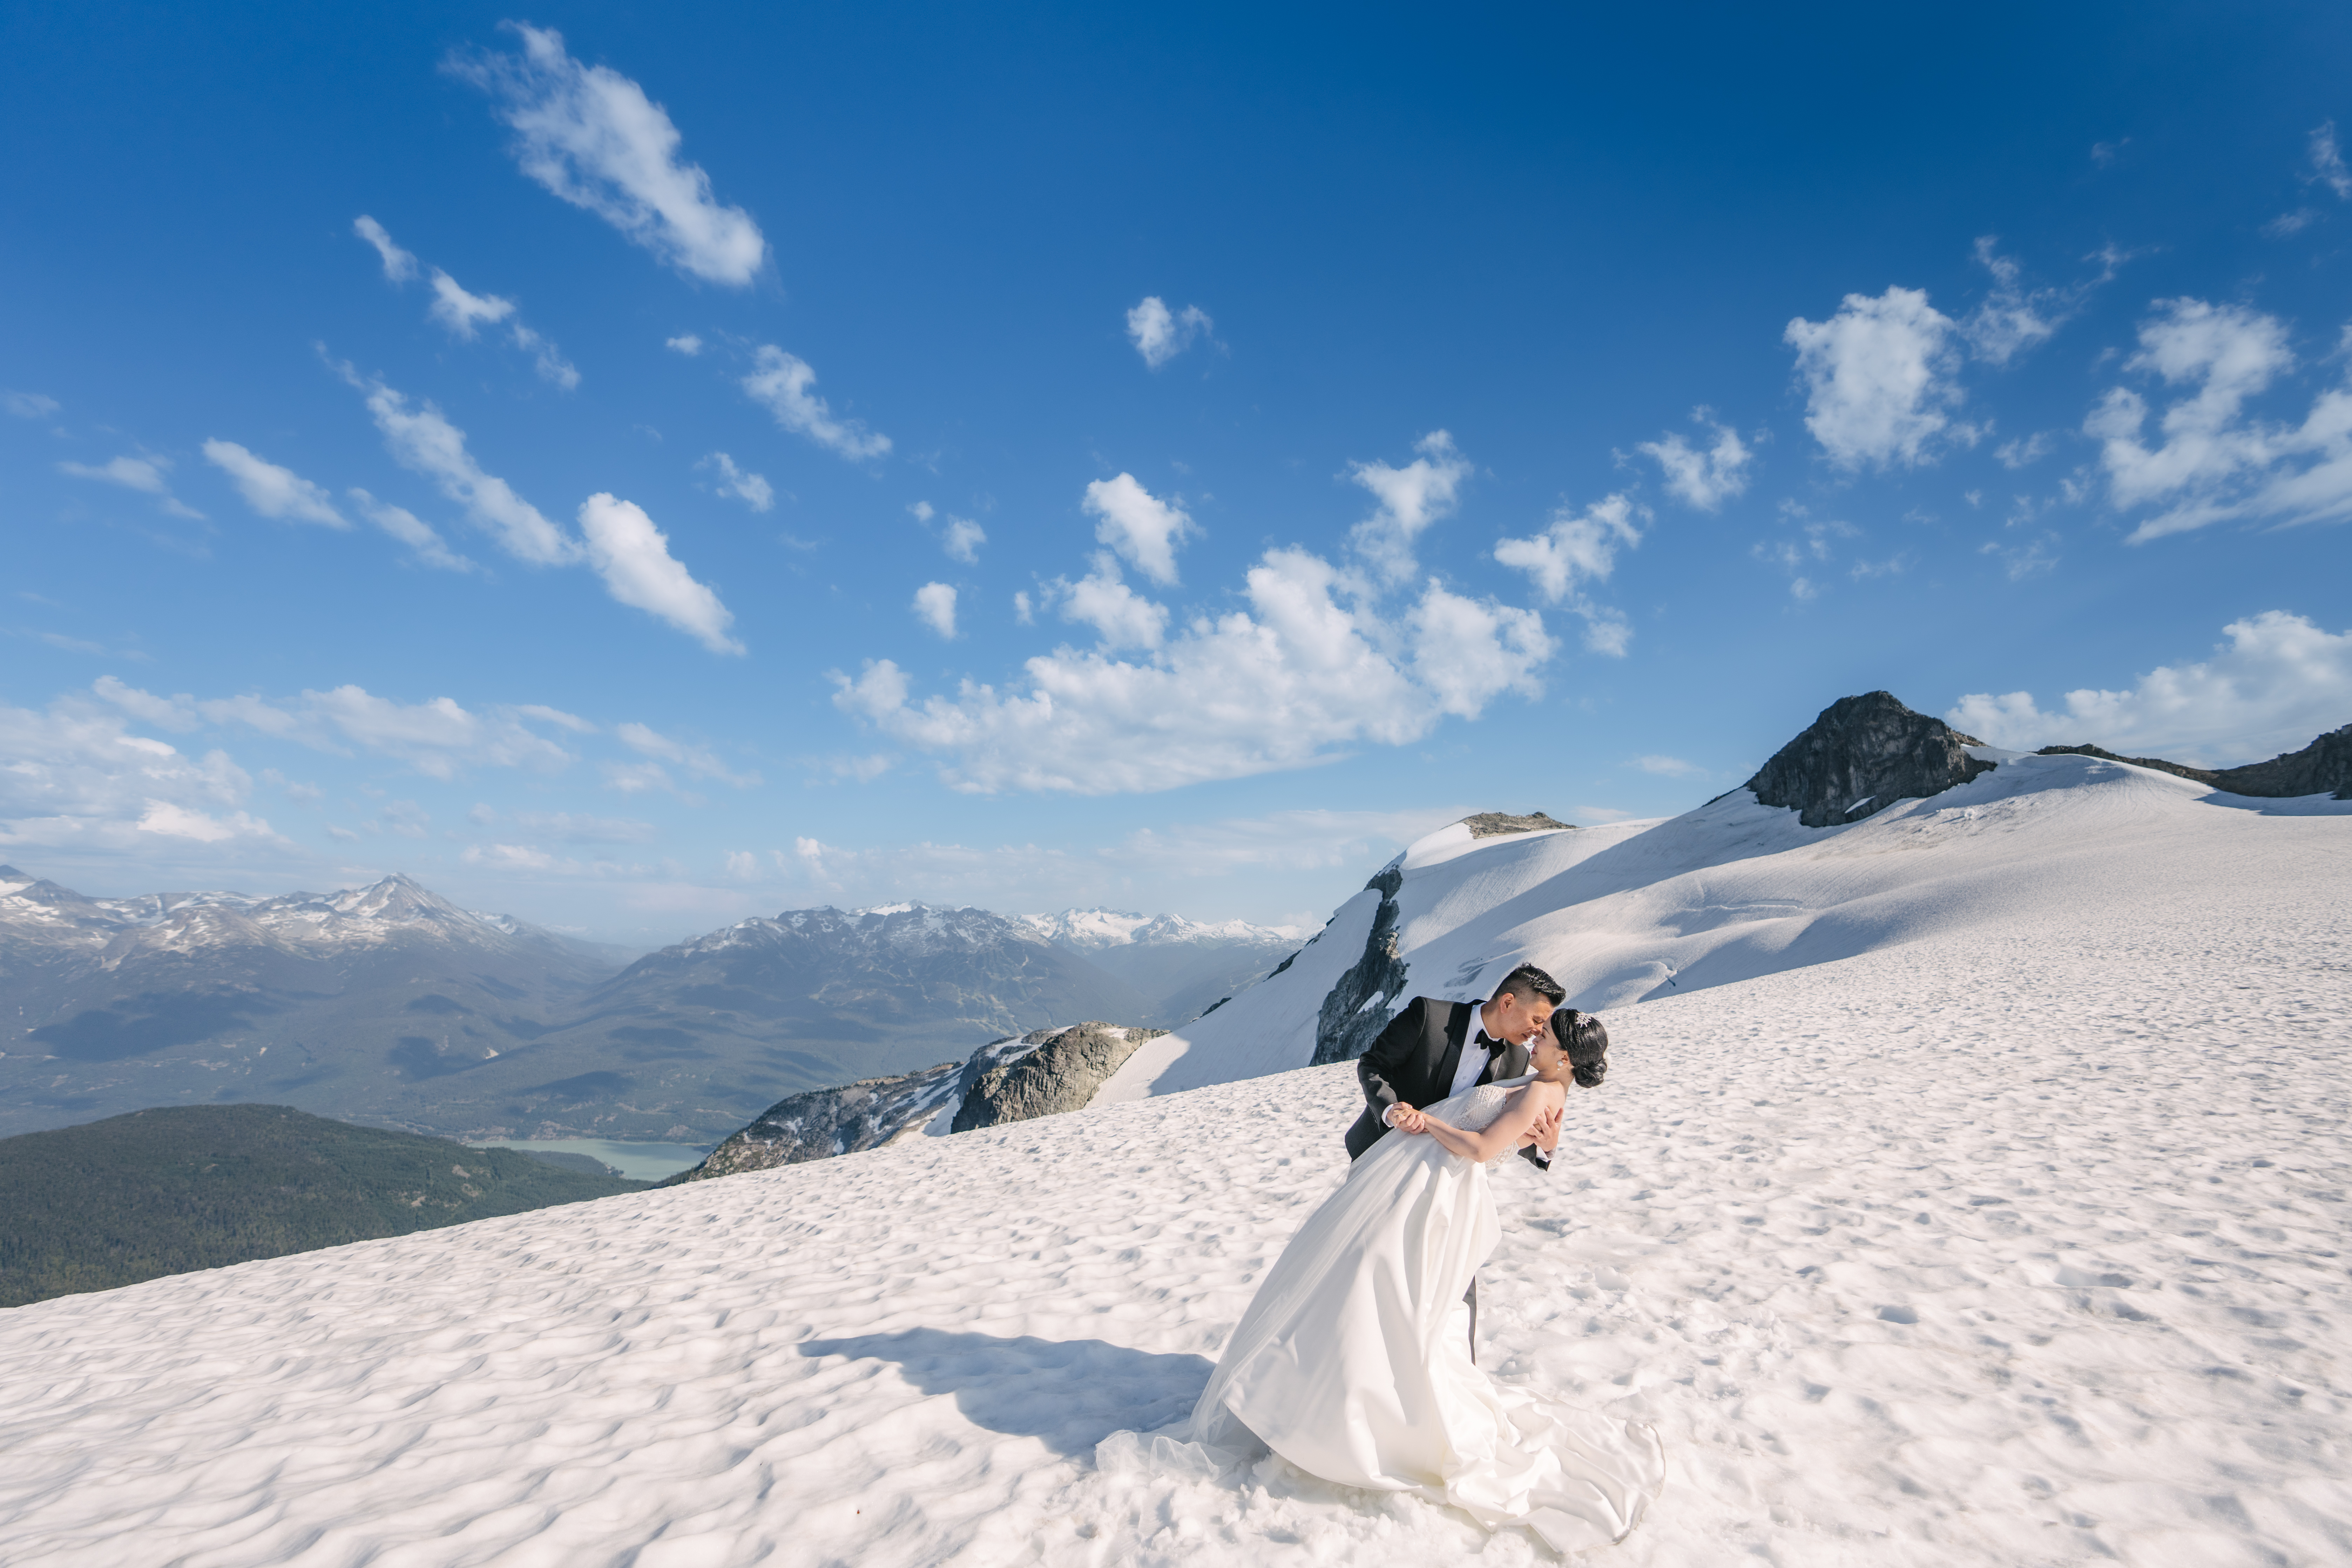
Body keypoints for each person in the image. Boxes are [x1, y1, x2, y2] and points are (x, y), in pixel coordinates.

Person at [1184, 1000, 1662, 1555]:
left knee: (1383, 1293)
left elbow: (1484, 1148)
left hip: (1436, 1194)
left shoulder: (1537, 1086)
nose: (1536, 1037)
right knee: (1379, 1293)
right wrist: (1535, 1142)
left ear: (1565, 1056)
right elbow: (1519, 1131)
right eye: (1538, 1026)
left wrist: (1429, 1122)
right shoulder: (1528, 1073)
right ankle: (1332, 1399)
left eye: (1547, 1035)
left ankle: (1348, 1413)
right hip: (1418, 1182)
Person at [1344, 965, 1566, 1362]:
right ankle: (1361, 1363)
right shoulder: (1429, 1015)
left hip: (1449, 1183)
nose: (1538, 1031)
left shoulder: (1518, 1059)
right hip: (1384, 1166)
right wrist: (1391, 1110)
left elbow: (1498, 1129)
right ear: (1508, 1002)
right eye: (1537, 1019)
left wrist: (1544, 1146)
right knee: (1369, 1271)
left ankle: (1452, 1373)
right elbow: (1373, 1064)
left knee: (1456, 1281)